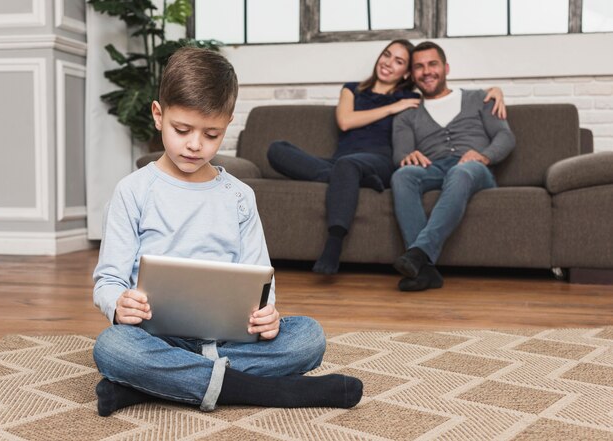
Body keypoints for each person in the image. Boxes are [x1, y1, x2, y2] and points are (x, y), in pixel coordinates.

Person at [91, 47, 363, 417]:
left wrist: (267, 312)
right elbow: (108, 280)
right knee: (112, 347)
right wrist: (119, 304)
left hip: (229, 341)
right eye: (182, 130)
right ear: (158, 115)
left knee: (308, 337)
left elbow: (260, 278)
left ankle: (154, 387)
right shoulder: (133, 191)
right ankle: (264, 390)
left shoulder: (239, 196)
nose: (195, 145)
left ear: (228, 124)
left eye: (212, 133)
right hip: (156, 337)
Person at [267, 39, 506, 275]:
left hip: (377, 160)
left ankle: (343, 239)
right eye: (387, 55)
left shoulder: (409, 99)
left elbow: (445, 93)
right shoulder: (358, 90)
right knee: (278, 149)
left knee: (349, 166)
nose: (389, 62)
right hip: (344, 159)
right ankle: (350, 179)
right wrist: (391, 108)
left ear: (405, 74)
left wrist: (493, 91)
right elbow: (345, 121)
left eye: (399, 61)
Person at [390, 41, 516, 292]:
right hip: (433, 168)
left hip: (475, 170)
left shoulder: (481, 98)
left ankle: (418, 253)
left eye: (433, 64)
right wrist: (408, 156)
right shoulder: (407, 114)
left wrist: (484, 156)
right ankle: (425, 271)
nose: (427, 71)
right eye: (419, 67)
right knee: (402, 176)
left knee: (461, 171)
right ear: (412, 75)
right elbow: (400, 155)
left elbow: (505, 137)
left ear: (446, 67)